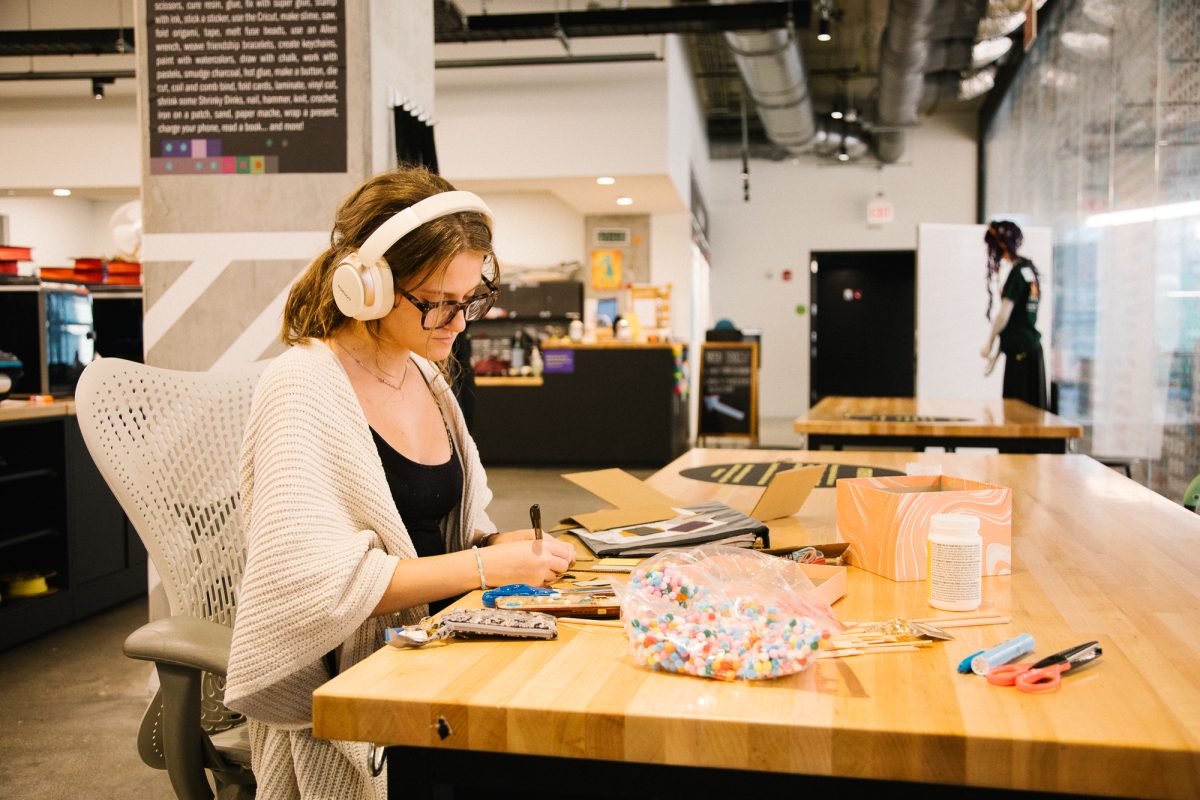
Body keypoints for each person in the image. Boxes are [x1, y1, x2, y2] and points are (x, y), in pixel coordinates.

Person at [224, 166, 576, 799]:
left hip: (439, 640)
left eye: (469, 299)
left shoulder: (426, 378)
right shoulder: (302, 386)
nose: (459, 322)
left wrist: (501, 548)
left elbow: (445, 531)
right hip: (368, 679)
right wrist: (482, 567)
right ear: (366, 287)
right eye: (438, 302)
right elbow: (311, 588)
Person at [979, 220, 1047, 410]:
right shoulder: (1028, 270)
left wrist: (990, 343)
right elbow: (1017, 320)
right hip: (1028, 350)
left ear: (1002, 243)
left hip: (1022, 357)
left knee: (1019, 415)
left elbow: (1004, 316)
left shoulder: (1018, 273)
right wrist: (998, 353)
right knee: (1031, 412)